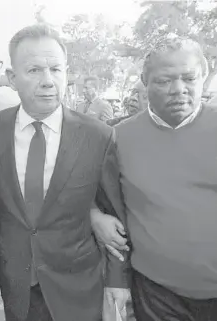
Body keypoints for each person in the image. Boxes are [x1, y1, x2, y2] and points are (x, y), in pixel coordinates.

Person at [0, 24, 130, 321]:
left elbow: (112, 213)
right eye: (34, 70)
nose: (48, 81)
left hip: (77, 286)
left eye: (56, 69)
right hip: (14, 282)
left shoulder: (98, 136)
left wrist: (117, 280)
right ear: (12, 78)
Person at [93, 37, 217, 320]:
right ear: (144, 81)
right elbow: (92, 195)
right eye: (164, 81)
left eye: (189, 78)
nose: (179, 90)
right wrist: (93, 215)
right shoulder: (117, 139)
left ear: (204, 75)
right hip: (157, 295)